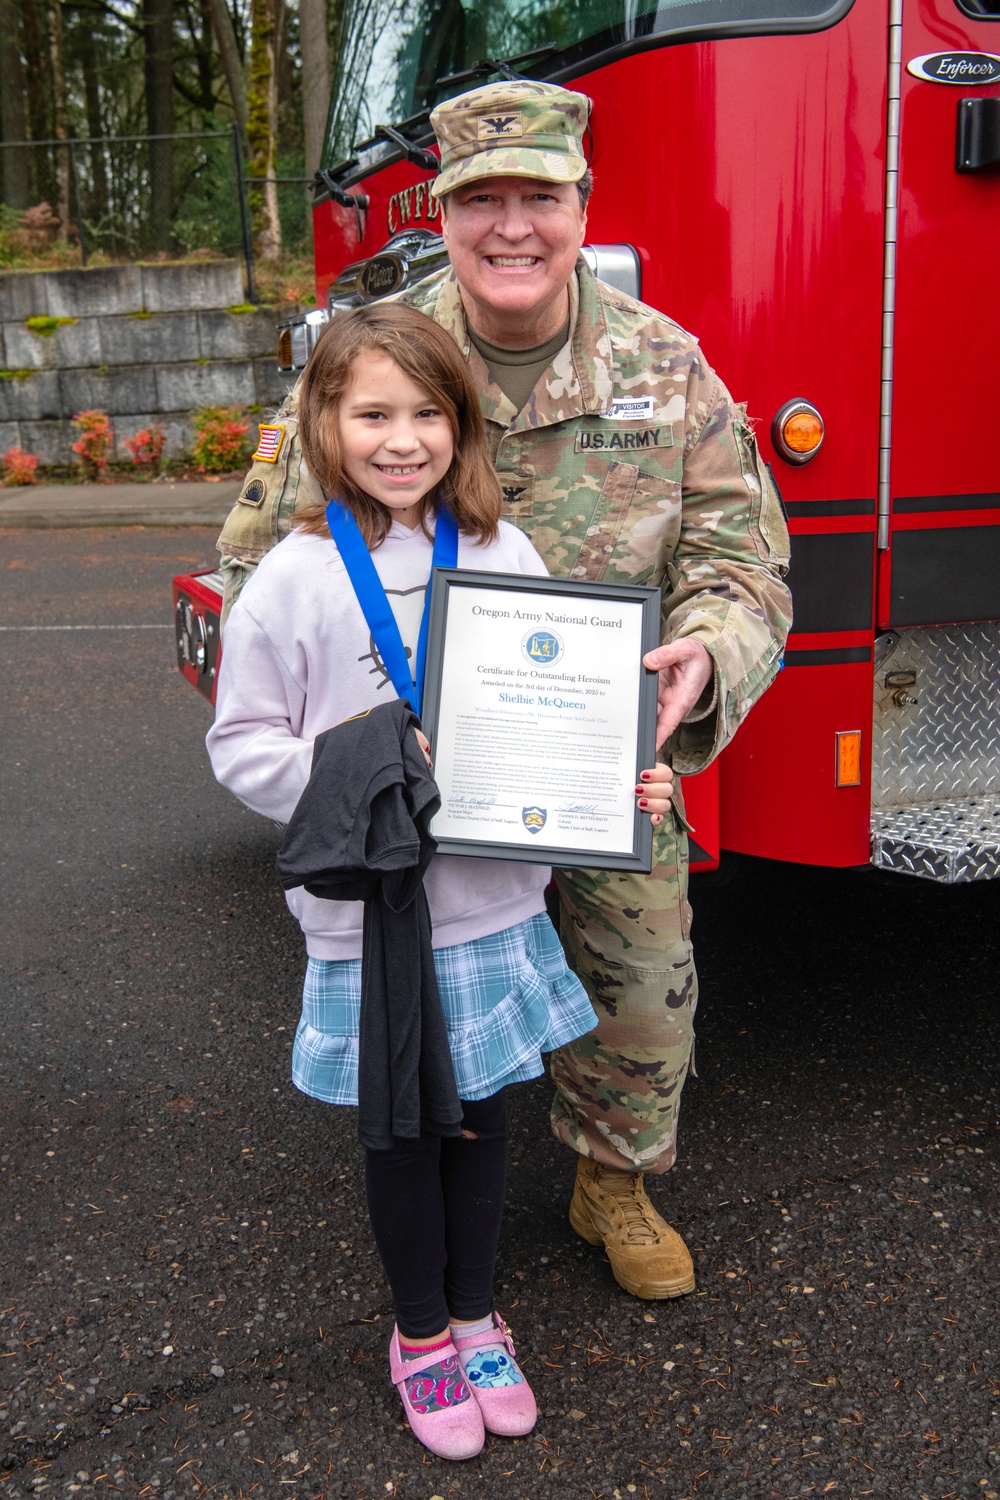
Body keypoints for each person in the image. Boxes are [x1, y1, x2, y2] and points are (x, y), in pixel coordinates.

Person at [216, 80, 792, 1303]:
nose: (513, 225)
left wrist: (700, 661)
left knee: (641, 987)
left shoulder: (662, 363)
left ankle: (613, 1179)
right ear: (444, 206)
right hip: (422, 780)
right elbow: (256, 552)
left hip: (597, 758)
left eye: (542, 194)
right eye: (484, 199)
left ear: (583, 206)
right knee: (436, 993)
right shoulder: (380, 355)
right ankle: (433, 1206)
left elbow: (743, 566)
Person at [206, 303, 673, 1460]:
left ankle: (476, 1319)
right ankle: (418, 1336)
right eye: (371, 413)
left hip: (494, 908)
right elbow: (242, 744)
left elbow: (559, 711)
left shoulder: (502, 553)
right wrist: (368, 773)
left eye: (426, 414)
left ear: (460, 427)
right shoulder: (294, 577)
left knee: (478, 1124)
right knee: (401, 1135)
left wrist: (619, 782)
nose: (400, 439)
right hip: (373, 920)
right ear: (323, 422)